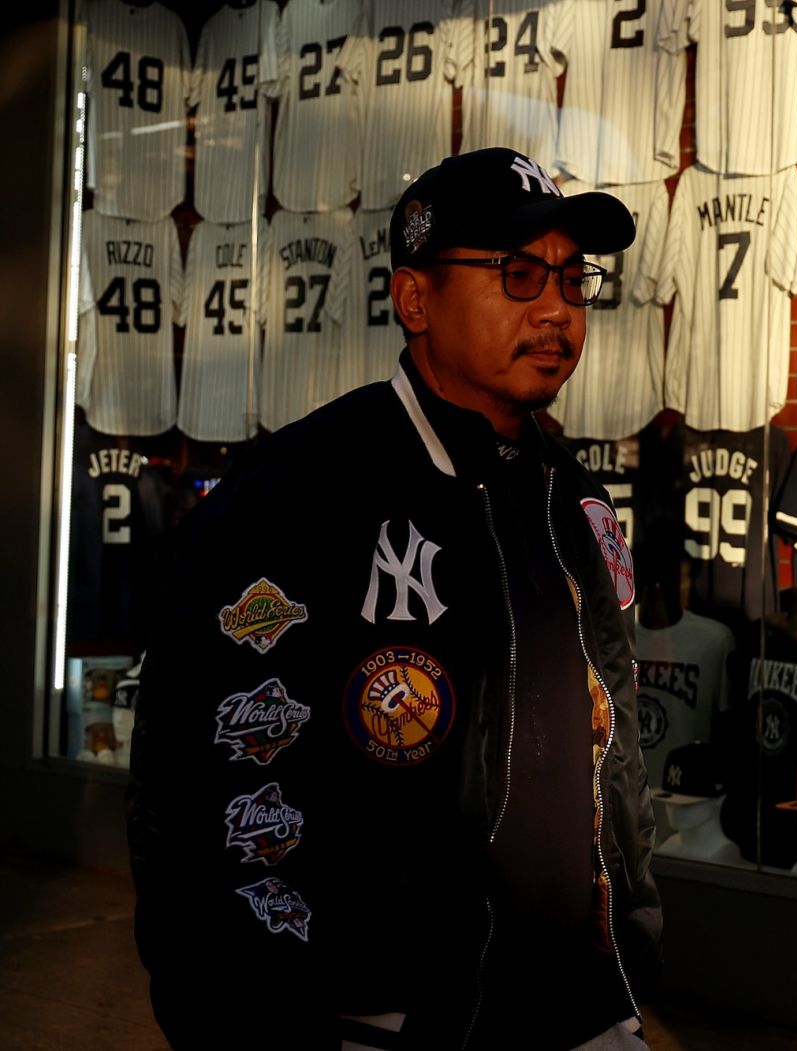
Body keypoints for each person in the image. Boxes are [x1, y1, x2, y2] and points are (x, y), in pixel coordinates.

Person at [126, 148, 660, 1051]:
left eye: (574, 279)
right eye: (517, 273)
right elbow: (194, 784)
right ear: (415, 300)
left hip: (575, 1012)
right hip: (372, 1019)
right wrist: (240, 1016)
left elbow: (614, 754)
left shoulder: (575, 499)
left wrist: (628, 963)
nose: (557, 308)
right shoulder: (301, 493)